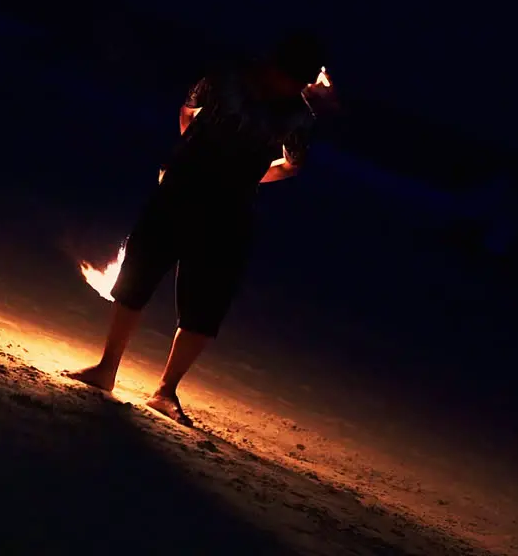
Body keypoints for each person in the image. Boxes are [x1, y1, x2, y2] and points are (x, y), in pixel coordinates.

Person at [65, 31, 330, 425]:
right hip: (179, 190)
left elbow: (292, 164)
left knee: (205, 306)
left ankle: (166, 390)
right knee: (137, 279)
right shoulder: (226, 79)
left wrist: (248, 178)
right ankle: (107, 369)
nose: (295, 86)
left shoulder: (298, 115)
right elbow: (188, 110)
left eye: (302, 80)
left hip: (230, 211)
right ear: (274, 66)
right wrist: (192, 156)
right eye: (292, 76)